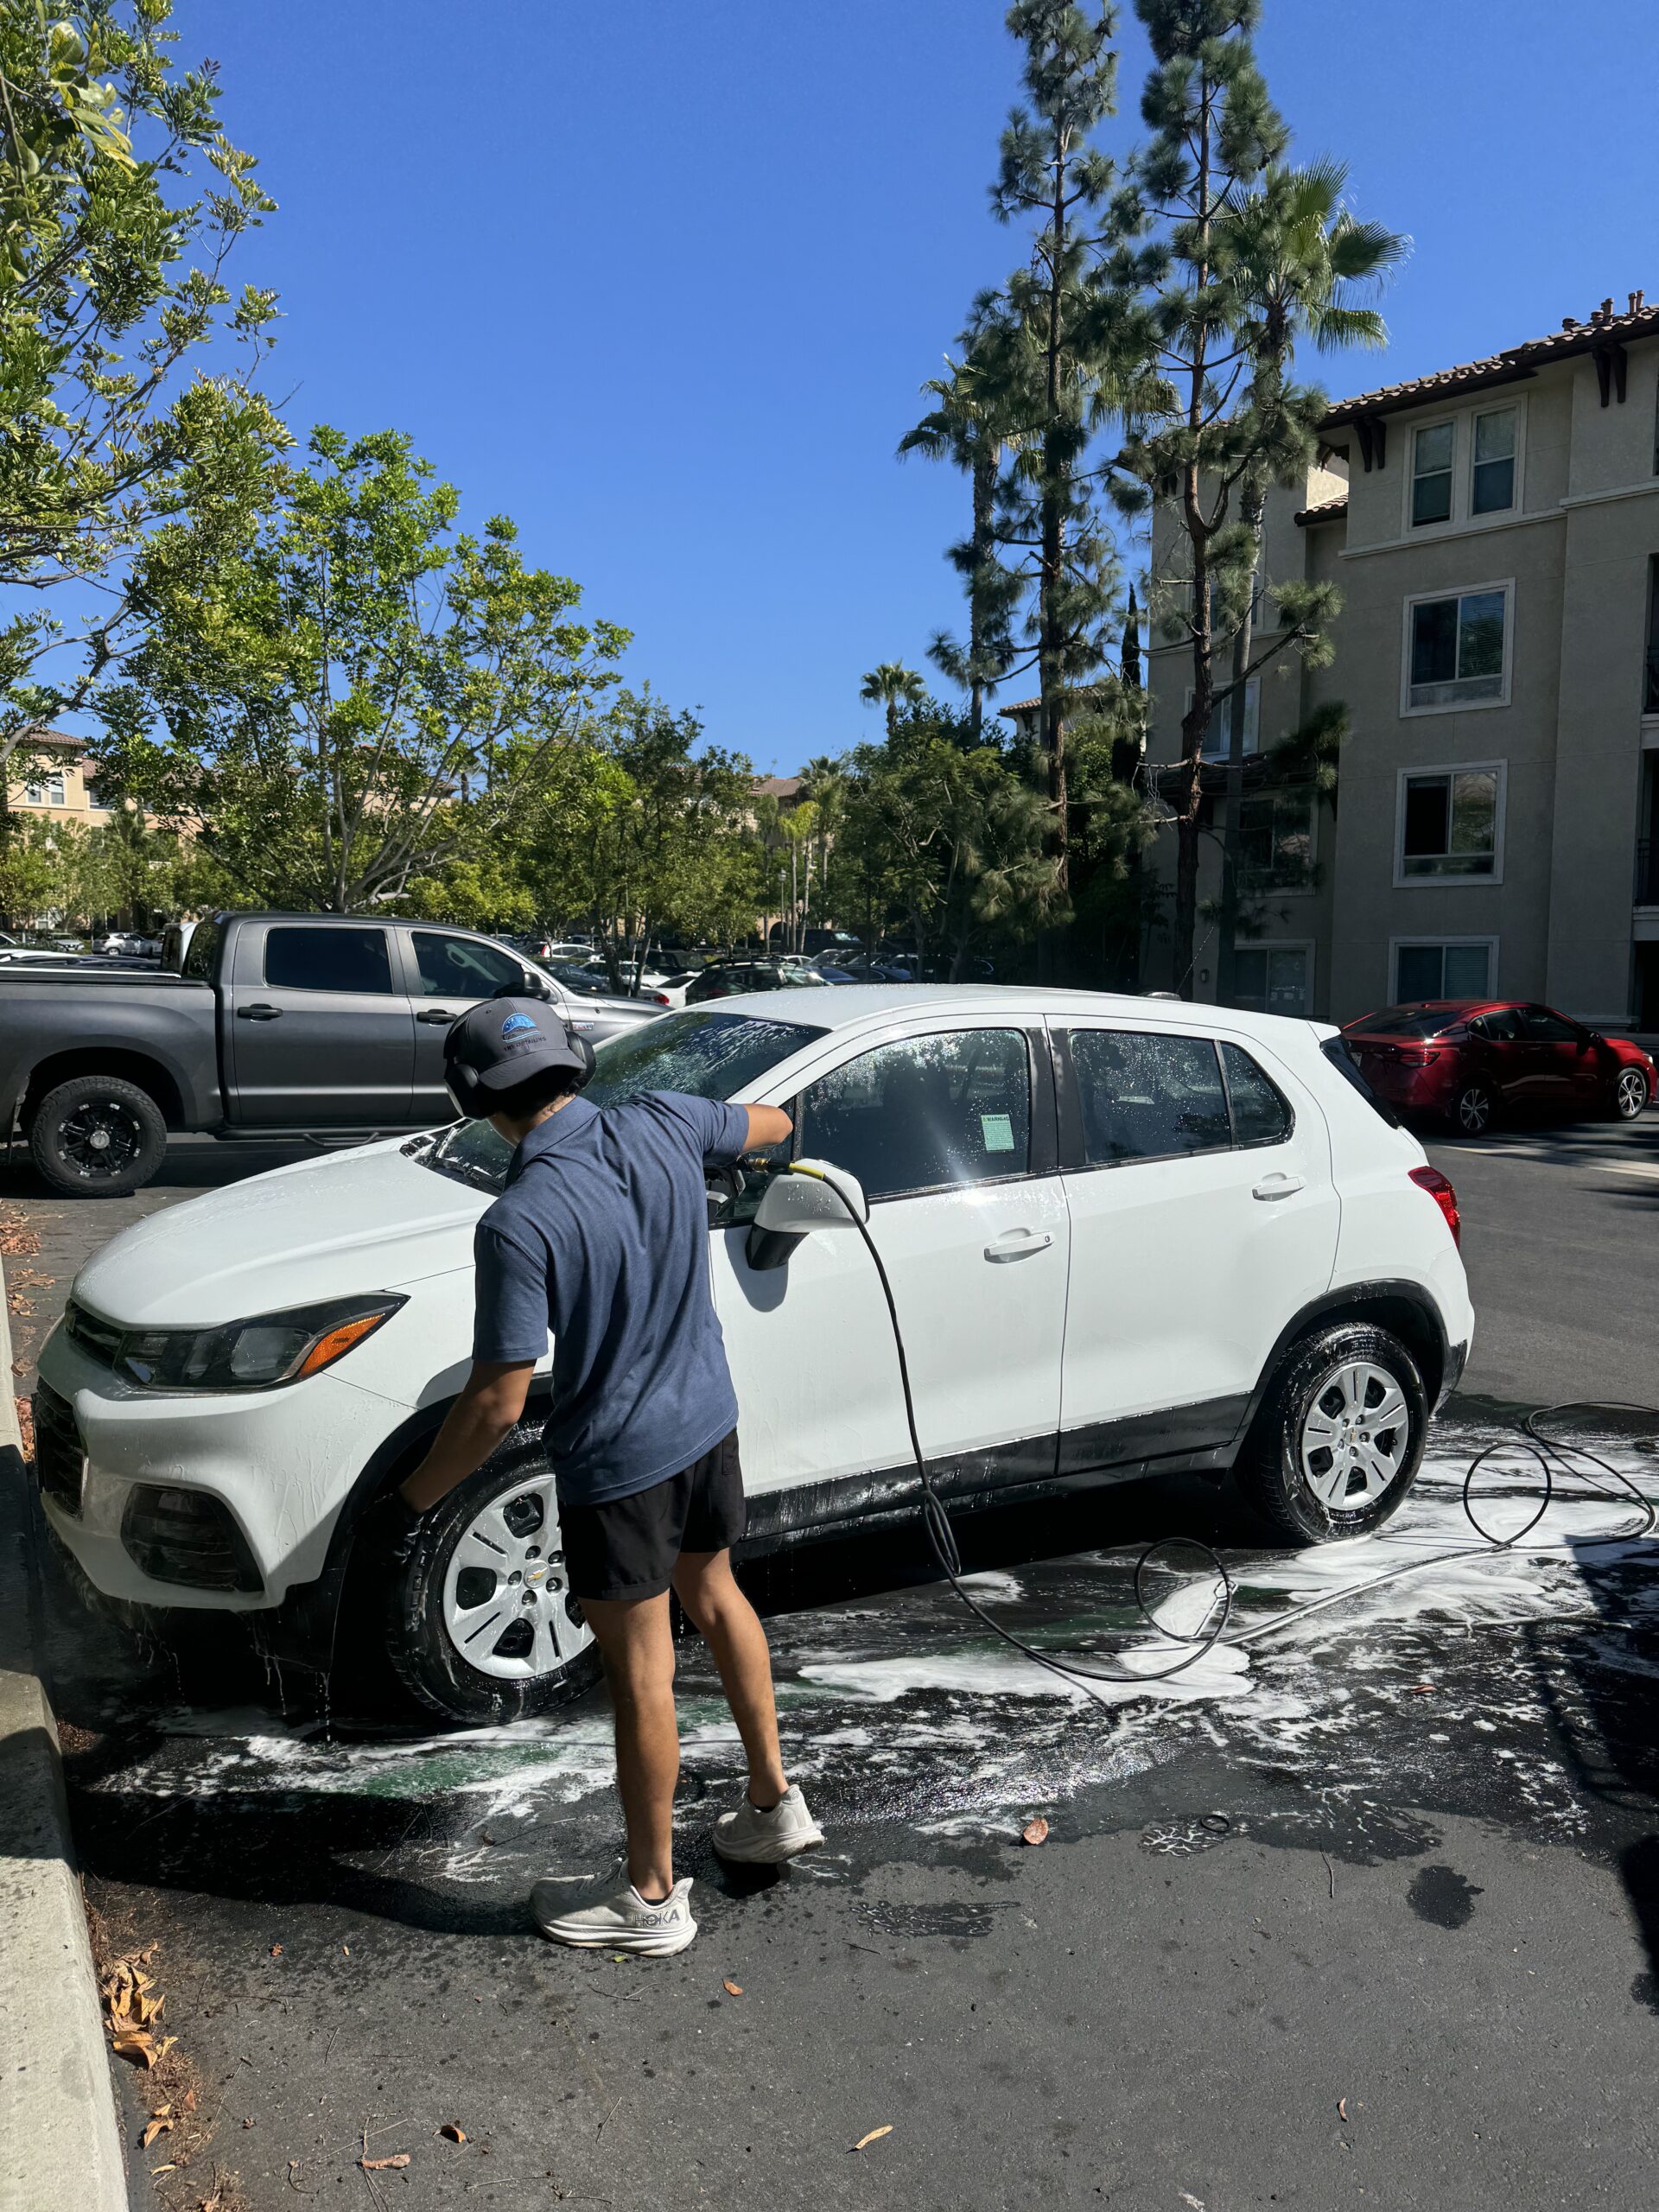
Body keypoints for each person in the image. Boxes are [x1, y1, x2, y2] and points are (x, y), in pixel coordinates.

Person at [396, 998, 821, 1957]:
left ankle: (652, 1897)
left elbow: (498, 1401)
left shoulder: (518, 1219)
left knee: (643, 1672)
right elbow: (777, 1123)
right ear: (574, 1062)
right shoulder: (667, 1117)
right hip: (709, 1424)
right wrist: (742, 1153)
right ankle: (773, 1802)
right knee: (716, 1593)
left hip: (620, 1468)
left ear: (475, 1099)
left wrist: (415, 1498)